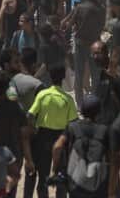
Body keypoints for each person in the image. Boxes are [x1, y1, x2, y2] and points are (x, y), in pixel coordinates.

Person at [24, 66, 76, 198]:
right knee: (61, 174)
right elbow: (73, 122)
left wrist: (33, 129)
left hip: (42, 137)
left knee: (43, 175)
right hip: (61, 138)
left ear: (49, 77)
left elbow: (30, 115)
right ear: (63, 78)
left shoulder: (42, 95)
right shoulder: (68, 99)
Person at [50, 95, 110, 198]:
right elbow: (113, 157)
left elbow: (57, 147)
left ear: (81, 111)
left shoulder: (72, 127)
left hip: (77, 182)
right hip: (99, 184)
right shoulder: (104, 130)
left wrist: (55, 170)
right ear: (99, 112)